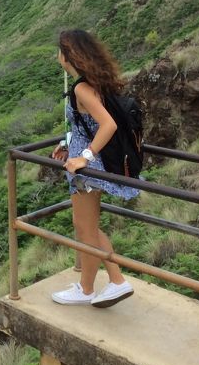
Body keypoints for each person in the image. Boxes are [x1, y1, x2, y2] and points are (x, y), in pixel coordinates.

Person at [50, 29, 140, 307]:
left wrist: (84, 157)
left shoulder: (80, 88)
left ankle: (116, 281)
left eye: (60, 51)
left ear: (68, 55)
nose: (57, 56)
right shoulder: (96, 83)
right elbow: (85, 125)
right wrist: (68, 145)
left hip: (86, 171)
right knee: (87, 226)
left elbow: (108, 125)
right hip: (91, 163)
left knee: (84, 227)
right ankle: (87, 287)